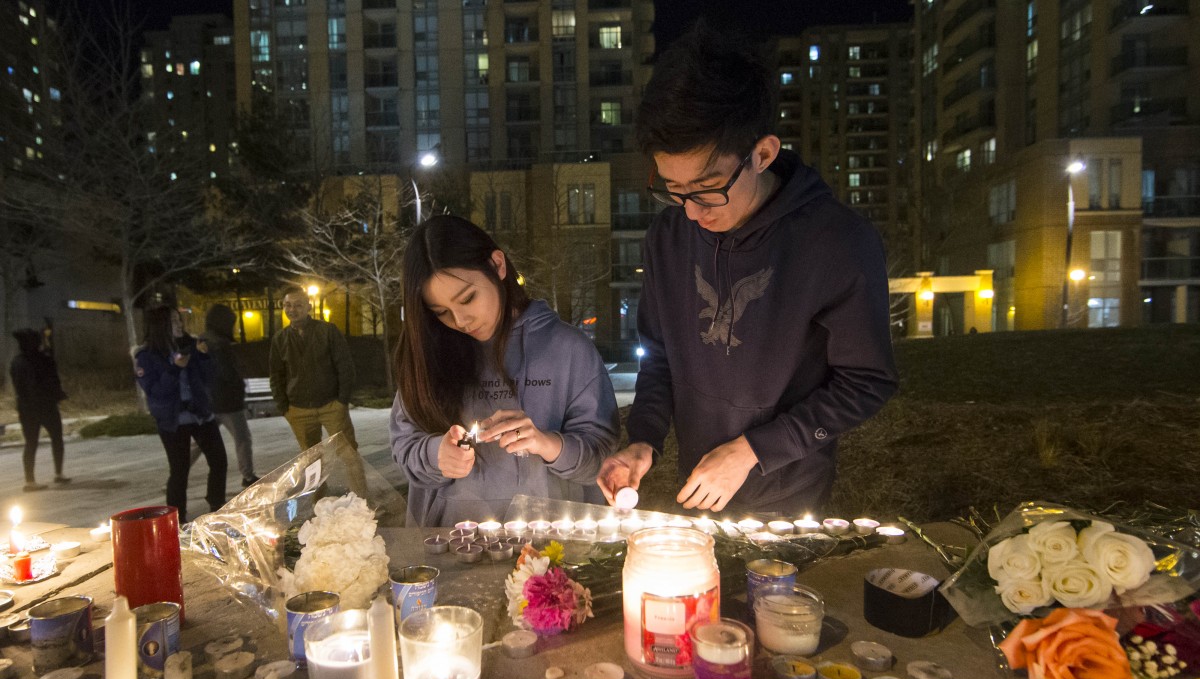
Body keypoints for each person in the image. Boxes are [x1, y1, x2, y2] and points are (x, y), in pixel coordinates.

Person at [597, 26, 898, 516]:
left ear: (762, 154)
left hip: (788, 492)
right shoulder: (669, 238)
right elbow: (659, 356)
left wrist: (754, 450)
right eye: (673, 189)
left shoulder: (837, 241)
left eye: (707, 188)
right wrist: (644, 440)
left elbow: (867, 381)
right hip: (697, 486)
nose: (691, 212)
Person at [390, 214, 620, 527]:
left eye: (468, 298)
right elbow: (405, 449)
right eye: (441, 312)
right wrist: (436, 455)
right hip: (455, 542)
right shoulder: (429, 354)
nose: (460, 320)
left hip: (553, 542)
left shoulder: (568, 348)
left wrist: (546, 443)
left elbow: (601, 458)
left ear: (498, 265)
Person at [134, 306, 227, 523]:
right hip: (173, 420)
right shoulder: (147, 356)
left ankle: (217, 504)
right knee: (179, 470)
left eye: (179, 320)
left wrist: (204, 356)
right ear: (160, 326)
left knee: (219, 460)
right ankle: (176, 518)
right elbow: (154, 391)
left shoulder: (190, 346)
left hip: (201, 414)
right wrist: (174, 368)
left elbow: (210, 378)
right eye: (173, 320)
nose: (179, 324)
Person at [269, 290, 358, 453]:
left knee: (348, 454)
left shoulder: (328, 331)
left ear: (309, 307)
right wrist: (284, 408)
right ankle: (319, 481)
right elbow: (276, 375)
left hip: (331, 405)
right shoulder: (280, 339)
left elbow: (345, 366)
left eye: (298, 305)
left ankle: (357, 481)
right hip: (298, 409)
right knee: (311, 462)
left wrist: (342, 401)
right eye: (287, 305)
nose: (292, 310)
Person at [198, 304, 258, 488]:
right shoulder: (220, 345)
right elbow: (228, 374)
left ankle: (179, 471)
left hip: (209, 400)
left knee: (199, 441)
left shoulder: (203, 341)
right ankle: (248, 476)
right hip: (227, 402)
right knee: (242, 439)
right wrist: (239, 385)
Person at [10, 328, 69, 492]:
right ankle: (58, 473)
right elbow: (52, 381)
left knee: (31, 443)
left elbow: (20, 387)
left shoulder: (17, 362)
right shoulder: (44, 359)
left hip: (27, 409)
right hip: (46, 407)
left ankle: (30, 481)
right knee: (56, 438)